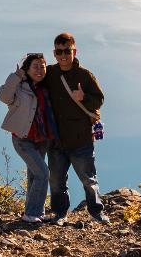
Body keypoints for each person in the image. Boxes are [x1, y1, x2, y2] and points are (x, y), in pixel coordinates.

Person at [45, 31, 107, 223]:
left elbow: (99, 99)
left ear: (74, 51)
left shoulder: (85, 76)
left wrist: (84, 98)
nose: (63, 55)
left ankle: (97, 212)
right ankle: (60, 213)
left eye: (67, 51)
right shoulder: (51, 73)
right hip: (56, 140)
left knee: (89, 180)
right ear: (54, 53)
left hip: (81, 140)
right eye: (59, 51)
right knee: (56, 181)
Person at [0, 52, 56, 224]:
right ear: (27, 69)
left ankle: (35, 212)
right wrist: (16, 76)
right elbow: (3, 97)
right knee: (43, 173)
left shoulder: (48, 87)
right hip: (23, 139)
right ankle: (31, 214)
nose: (39, 69)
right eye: (35, 66)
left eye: (42, 66)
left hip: (42, 138)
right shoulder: (19, 86)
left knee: (34, 174)